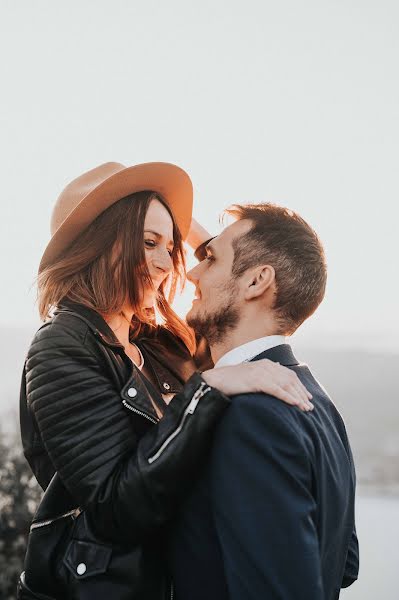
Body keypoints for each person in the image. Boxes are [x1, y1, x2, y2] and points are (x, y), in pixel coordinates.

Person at [18, 162, 313, 600]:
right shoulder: (61, 347)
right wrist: (209, 389)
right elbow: (115, 508)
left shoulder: (159, 342)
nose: (164, 264)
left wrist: (177, 222)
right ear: (100, 245)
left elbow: (230, 288)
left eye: (170, 248)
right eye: (148, 243)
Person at [170, 203, 359, 600]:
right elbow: (345, 561)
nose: (191, 272)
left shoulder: (250, 415)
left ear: (256, 281)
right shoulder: (320, 405)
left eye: (211, 259)